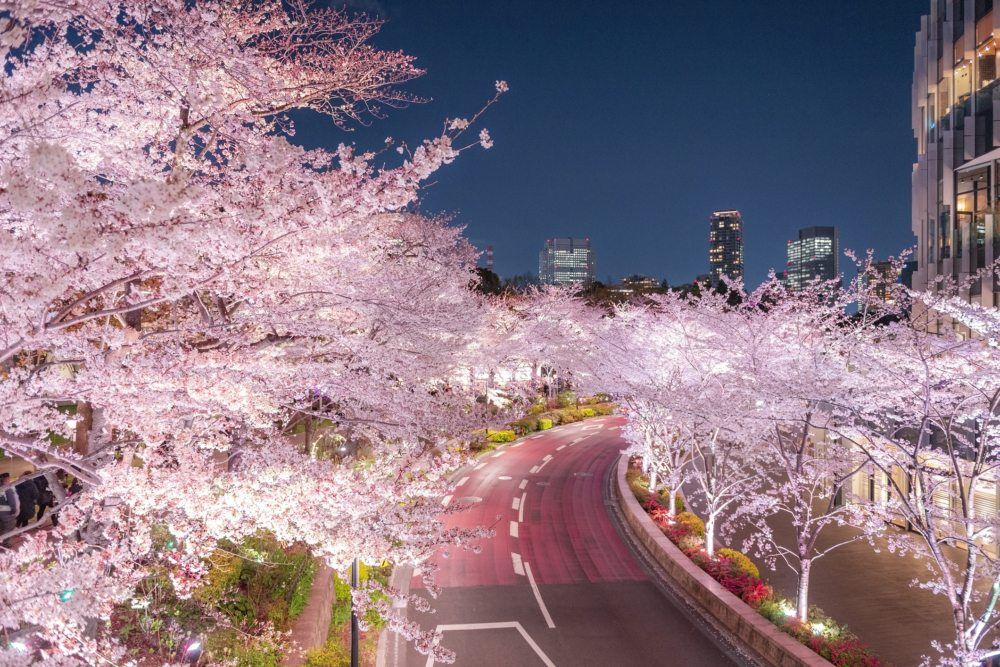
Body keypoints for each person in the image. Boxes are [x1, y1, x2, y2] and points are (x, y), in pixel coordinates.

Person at [0, 473, 19, 546]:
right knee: (9, 527)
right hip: (6, 512)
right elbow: (12, 501)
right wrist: (14, 511)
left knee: (1, 527)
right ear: (8, 479)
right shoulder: (7, 488)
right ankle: (4, 543)